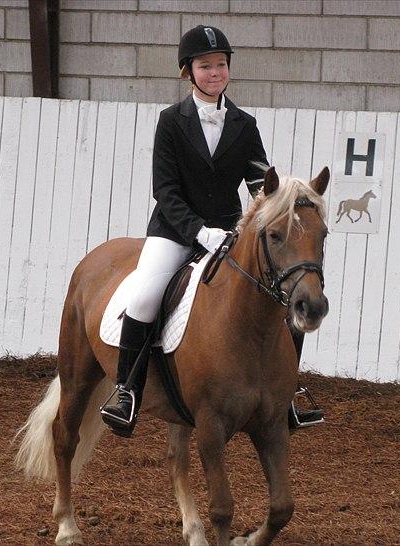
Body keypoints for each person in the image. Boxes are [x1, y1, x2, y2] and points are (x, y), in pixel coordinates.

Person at [100, 25, 323, 438]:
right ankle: (126, 390)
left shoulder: (244, 122)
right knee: (146, 295)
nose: (215, 72)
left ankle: (288, 392)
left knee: (280, 296)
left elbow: (260, 183)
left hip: (228, 232)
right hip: (173, 231)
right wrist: (198, 232)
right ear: (189, 71)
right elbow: (164, 191)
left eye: (221, 64)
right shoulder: (170, 122)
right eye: (206, 66)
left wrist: (277, 206)